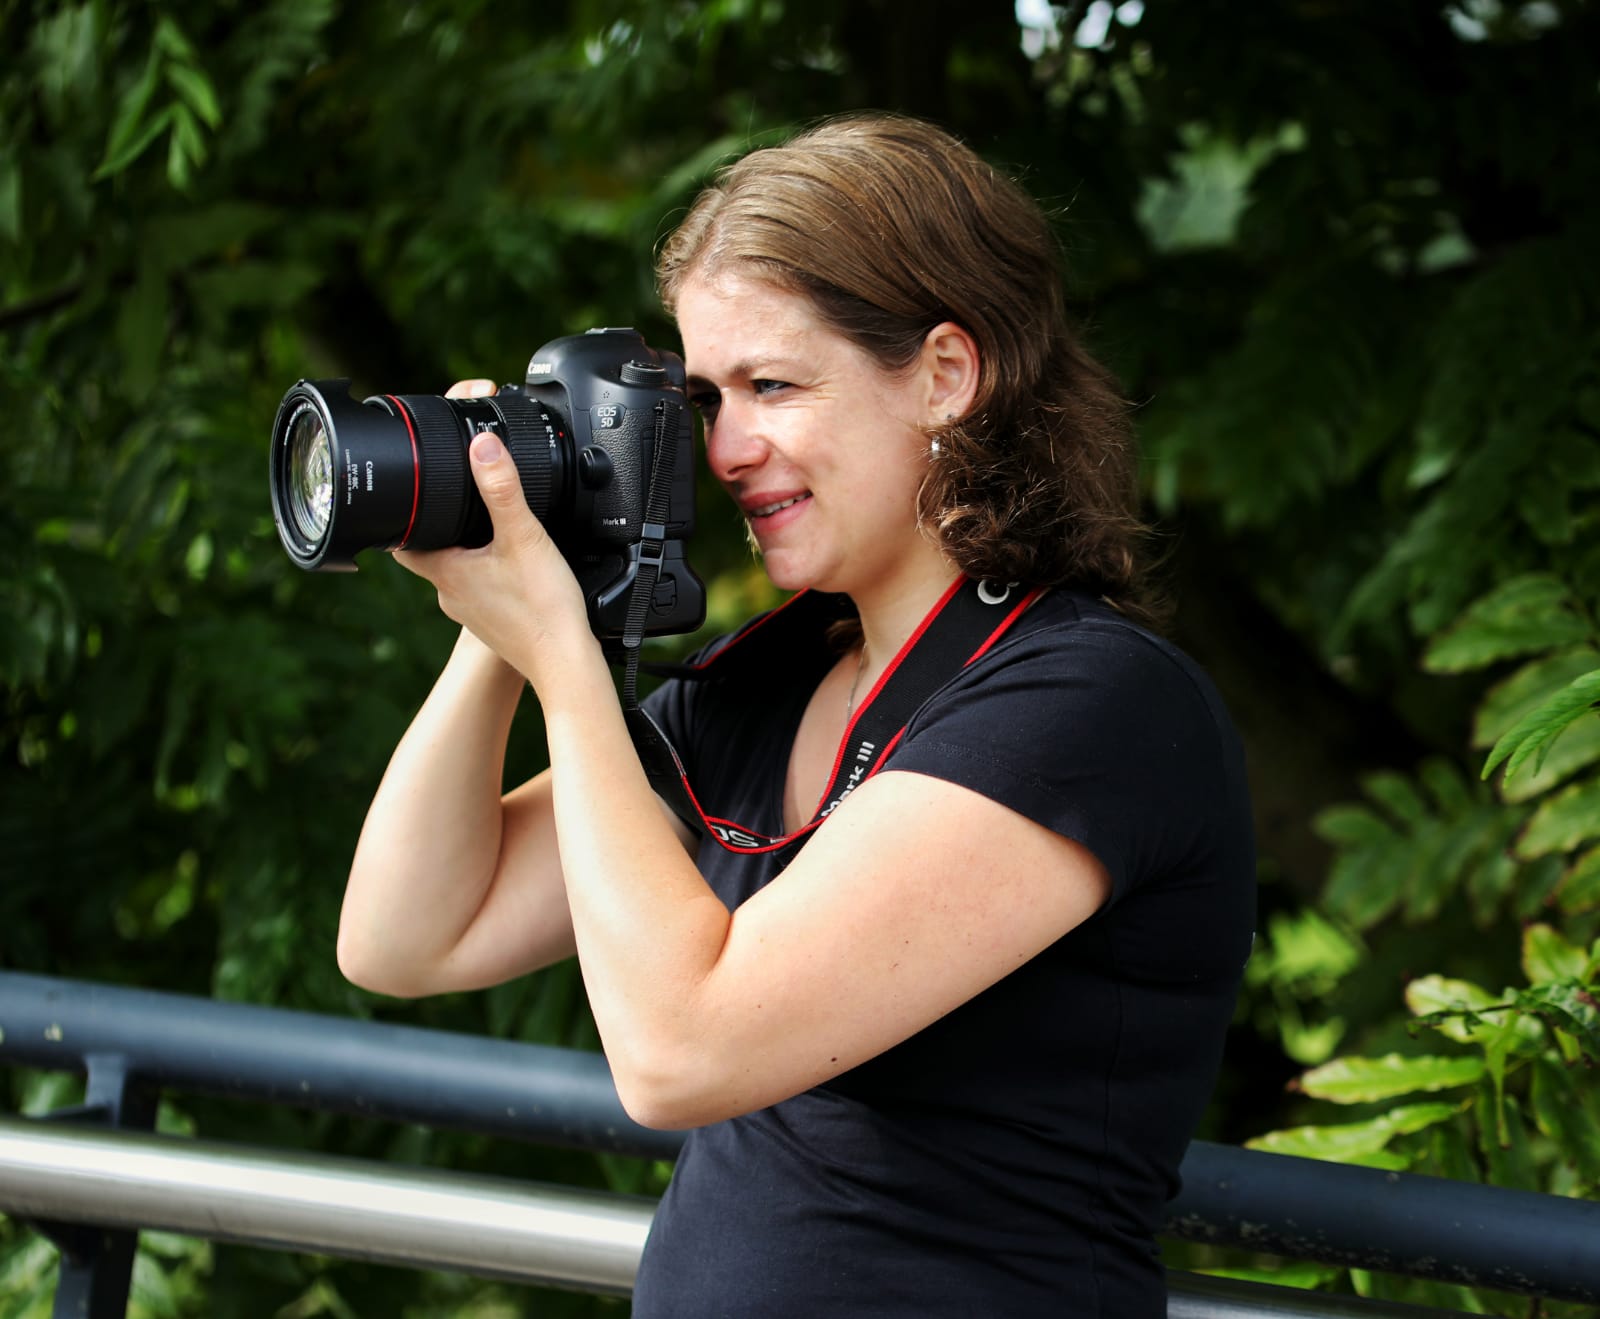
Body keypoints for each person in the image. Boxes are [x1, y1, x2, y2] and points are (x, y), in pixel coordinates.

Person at [336, 112, 1257, 1317]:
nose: (724, 449)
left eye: (773, 385)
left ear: (942, 373)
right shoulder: (773, 684)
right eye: (705, 396)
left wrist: (562, 652)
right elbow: (410, 934)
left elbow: (680, 1050)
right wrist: (496, 616)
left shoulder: (1087, 702)